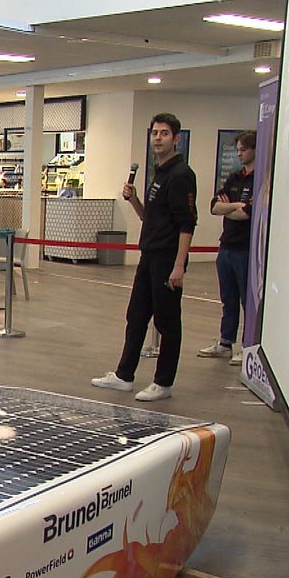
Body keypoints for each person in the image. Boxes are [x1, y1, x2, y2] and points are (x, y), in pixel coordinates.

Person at [92, 112, 198, 402]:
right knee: (136, 316)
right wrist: (134, 199)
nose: (158, 138)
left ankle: (163, 382)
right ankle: (124, 375)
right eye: (154, 133)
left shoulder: (181, 175)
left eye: (164, 133)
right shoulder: (159, 172)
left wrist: (179, 265)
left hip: (167, 259)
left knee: (167, 322)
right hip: (149, 255)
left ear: (176, 139)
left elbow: (187, 224)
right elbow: (147, 217)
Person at [199, 130, 257, 361]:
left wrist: (231, 208)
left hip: (245, 249)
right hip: (226, 247)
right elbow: (214, 207)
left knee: (246, 300)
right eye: (238, 150)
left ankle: (248, 345)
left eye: (243, 150)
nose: (239, 154)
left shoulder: (259, 180)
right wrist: (235, 205)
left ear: (254, 150)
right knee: (228, 298)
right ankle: (226, 342)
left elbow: (246, 214)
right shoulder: (234, 178)